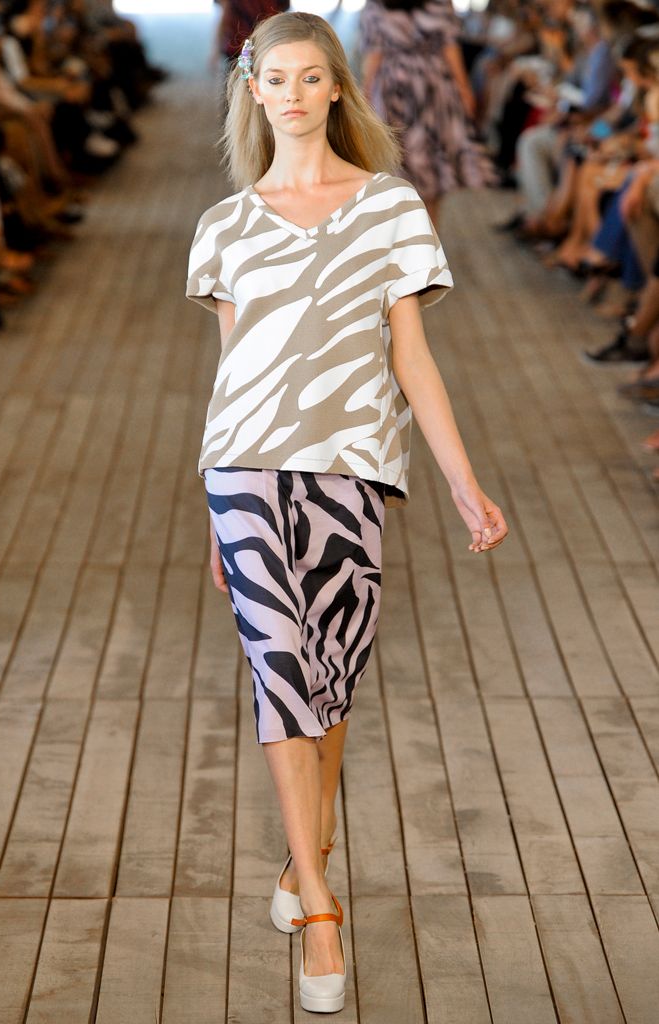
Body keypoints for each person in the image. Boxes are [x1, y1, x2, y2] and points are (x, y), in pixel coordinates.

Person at [185, 10, 508, 1014]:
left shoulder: (389, 208)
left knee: (329, 685)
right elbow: (232, 373)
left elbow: (411, 356)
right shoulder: (224, 227)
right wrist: (209, 515)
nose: (289, 94)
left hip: (351, 471)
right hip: (244, 471)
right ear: (252, 90)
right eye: (273, 78)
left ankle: (303, 855)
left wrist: (460, 479)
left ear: (335, 87)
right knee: (281, 674)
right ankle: (321, 908)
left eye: (307, 77)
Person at [359, 0, 497, 223]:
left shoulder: (376, 5)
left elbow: (374, 53)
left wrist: (365, 95)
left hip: (394, 88)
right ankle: (426, 235)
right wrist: (465, 90)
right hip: (432, 86)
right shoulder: (440, 3)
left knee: (400, 166)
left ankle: (411, 234)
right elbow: (449, 47)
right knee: (429, 169)